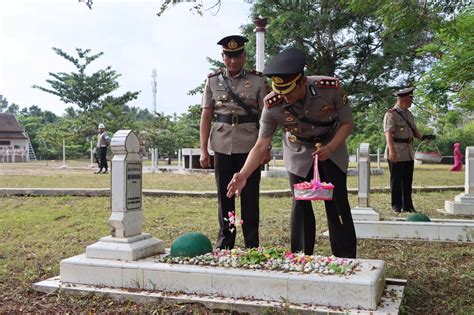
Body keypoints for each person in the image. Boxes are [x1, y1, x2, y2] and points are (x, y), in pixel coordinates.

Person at [226, 47, 357, 258]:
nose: (285, 98)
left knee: (337, 202)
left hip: (331, 146)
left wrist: (331, 147)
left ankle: (346, 257)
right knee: (301, 203)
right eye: (280, 93)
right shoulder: (272, 104)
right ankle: (300, 256)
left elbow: (347, 122)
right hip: (298, 150)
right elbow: (261, 144)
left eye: (288, 92)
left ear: (302, 81)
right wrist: (243, 174)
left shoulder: (329, 88)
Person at [199, 35, 270, 250]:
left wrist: (266, 148)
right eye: (228, 57)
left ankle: (251, 243)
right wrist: (204, 149)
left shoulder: (258, 81)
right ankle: (226, 241)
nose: (233, 61)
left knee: (249, 197)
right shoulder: (212, 80)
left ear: (244, 56)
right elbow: (206, 115)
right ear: (222, 57)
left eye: (237, 56)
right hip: (221, 144)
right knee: (225, 195)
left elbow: (267, 117)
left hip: (250, 146)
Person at [383, 87, 435, 212]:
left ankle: (408, 205)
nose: (412, 102)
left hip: (408, 151)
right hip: (396, 150)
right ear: (405, 99)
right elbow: (388, 134)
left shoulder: (409, 114)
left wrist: (424, 137)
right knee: (396, 180)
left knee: (407, 180)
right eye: (410, 99)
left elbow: (414, 131)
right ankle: (396, 205)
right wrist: (392, 151)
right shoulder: (391, 114)